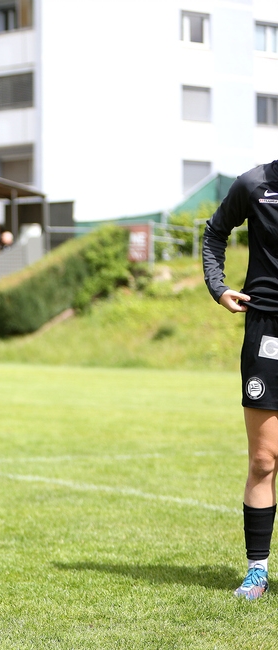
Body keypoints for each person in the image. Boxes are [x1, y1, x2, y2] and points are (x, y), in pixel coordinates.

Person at [203, 157, 278, 601]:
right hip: (266, 329)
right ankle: (257, 570)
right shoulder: (254, 184)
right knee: (264, 459)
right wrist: (218, 286)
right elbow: (214, 232)